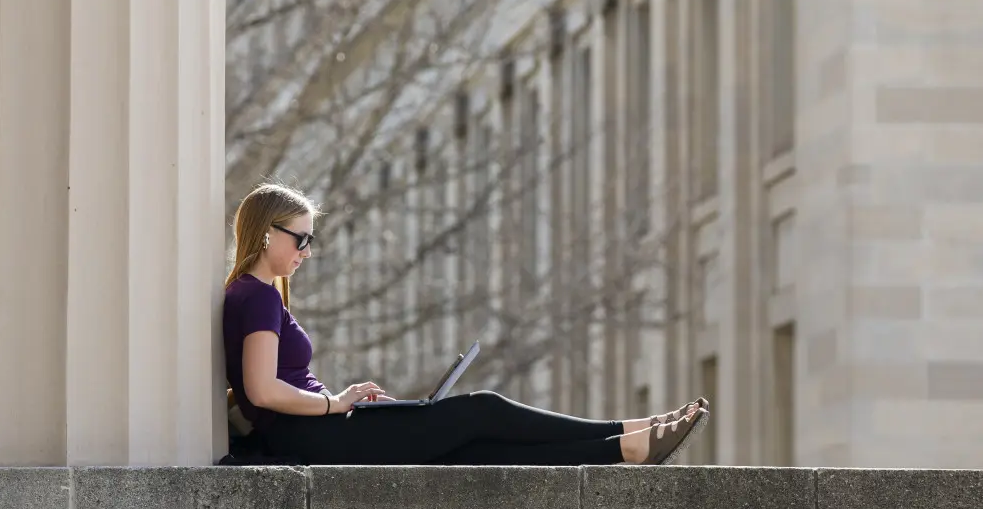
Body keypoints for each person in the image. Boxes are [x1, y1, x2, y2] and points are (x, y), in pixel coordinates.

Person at [222, 182, 710, 466]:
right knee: (482, 411)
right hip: (313, 435)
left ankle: (625, 444)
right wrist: (336, 402)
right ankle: (625, 435)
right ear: (268, 235)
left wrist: (347, 403)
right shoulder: (258, 296)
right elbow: (262, 390)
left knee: (471, 444)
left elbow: (266, 390)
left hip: (316, 430)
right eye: (301, 239)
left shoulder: (253, 294)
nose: (308, 251)